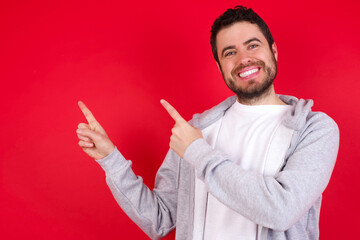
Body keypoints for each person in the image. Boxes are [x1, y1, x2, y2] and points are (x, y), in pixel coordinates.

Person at [76, 6, 339, 240]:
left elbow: (281, 211)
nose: (243, 59)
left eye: (253, 45)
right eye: (229, 52)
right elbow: (159, 220)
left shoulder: (314, 129)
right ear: (220, 67)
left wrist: (197, 152)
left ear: (273, 51)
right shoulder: (196, 130)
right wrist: (110, 159)